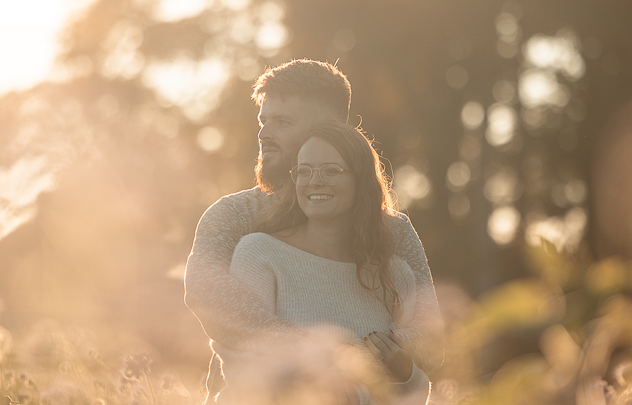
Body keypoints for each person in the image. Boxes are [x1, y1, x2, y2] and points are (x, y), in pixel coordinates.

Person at [184, 59, 443, 402]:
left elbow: (431, 338)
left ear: (330, 129)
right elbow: (211, 299)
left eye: (283, 122)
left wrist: (396, 360)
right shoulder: (233, 216)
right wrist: (322, 355)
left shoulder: (392, 231)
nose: (264, 133)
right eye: (264, 120)